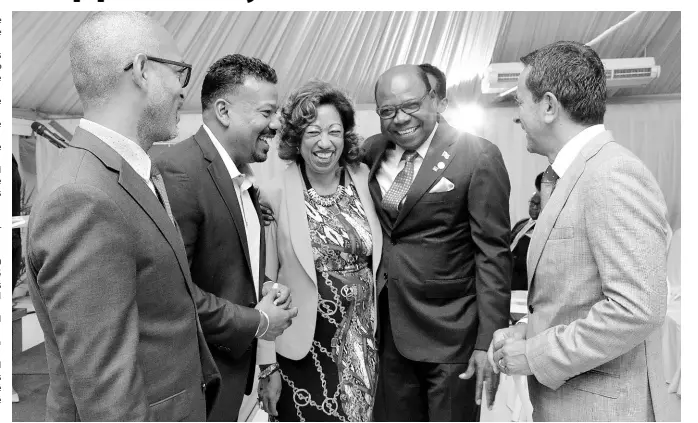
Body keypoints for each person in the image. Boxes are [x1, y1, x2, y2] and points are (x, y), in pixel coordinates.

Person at [25, 12, 254, 420]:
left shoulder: (127, 173)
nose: (183, 92)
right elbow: (107, 396)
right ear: (143, 70)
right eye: (179, 72)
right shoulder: (82, 197)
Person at [491, 40, 671, 421]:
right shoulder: (570, 176)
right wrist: (527, 329)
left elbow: (637, 309)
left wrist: (536, 355)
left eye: (520, 102)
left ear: (549, 105)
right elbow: (575, 295)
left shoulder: (611, 174)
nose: (517, 117)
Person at [364, 65, 512, 421]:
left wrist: (486, 340)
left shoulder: (477, 154)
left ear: (435, 99)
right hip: (388, 331)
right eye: (387, 111)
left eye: (410, 105)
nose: (400, 119)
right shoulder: (370, 152)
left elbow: (492, 253)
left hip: (452, 334)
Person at [155, 54, 298, 421]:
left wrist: (265, 287)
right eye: (267, 112)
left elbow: (225, 265)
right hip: (199, 381)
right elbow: (171, 294)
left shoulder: (241, 177)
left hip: (232, 375)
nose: (276, 123)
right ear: (223, 111)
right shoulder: (180, 173)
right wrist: (259, 322)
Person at [257, 80, 383, 421]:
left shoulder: (365, 180)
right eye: (313, 132)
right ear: (297, 138)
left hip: (364, 341)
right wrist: (266, 365)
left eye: (335, 131)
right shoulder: (273, 193)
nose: (325, 143)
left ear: (346, 136)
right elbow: (266, 282)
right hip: (302, 348)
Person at [510, 172, 543, 291]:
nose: (534, 207)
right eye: (532, 203)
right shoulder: (522, 223)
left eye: (538, 204)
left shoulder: (545, 229)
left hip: (525, 287)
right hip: (508, 281)